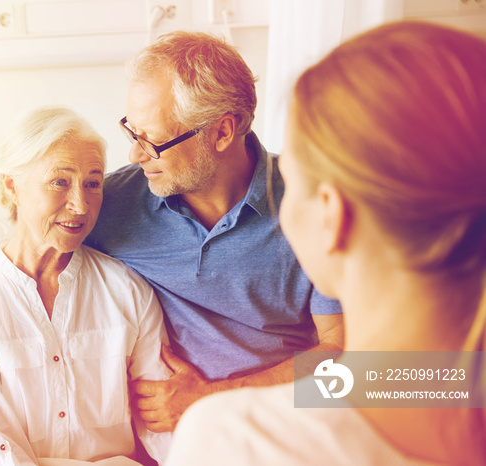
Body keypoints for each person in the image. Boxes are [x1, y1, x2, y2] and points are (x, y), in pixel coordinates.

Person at [165, 21, 486, 465]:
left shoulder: (235, 439)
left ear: (333, 216)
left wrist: (217, 397)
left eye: (290, 182)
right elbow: (407, 380)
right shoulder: (446, 384)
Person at [84, 30, 344, 433]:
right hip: (169, 438)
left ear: (223, 132)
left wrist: (213, 398)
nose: (135, 155)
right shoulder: (113, 202)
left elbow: (345, 353)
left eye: (152, 140)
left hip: (285, 421)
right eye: (131, 132)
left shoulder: (307, 205)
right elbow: (20, 259)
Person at [0, 107, 172, 465]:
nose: (80, 204)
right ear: (12, 187)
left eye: (92, 183)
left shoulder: (129, 292)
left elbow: (163, 432)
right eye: (60, 181)